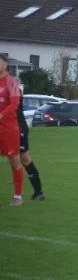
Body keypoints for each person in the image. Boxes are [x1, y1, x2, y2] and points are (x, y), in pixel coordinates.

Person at [0, 53, 24, 206]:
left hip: (8, 128)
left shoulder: (11, 82)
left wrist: (0, 115)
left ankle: (18, 197)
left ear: (5, 64)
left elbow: (14, 104)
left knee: (14, 161)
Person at [16, 84, 45, 201]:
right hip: (6, 128)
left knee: (25, 160)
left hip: (18, 129)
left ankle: (38, 192)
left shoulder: (12, 88)